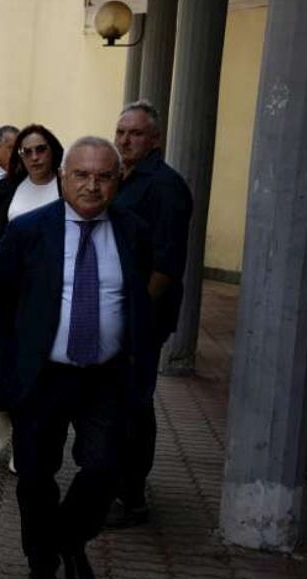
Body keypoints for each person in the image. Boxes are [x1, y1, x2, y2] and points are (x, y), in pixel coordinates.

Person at [0, 136, 153, 579]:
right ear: (63, 178)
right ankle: (43, 559)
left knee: (105, 467)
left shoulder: (134, 231)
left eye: (104, 176)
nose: (92, 186)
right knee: (36, 476)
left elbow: (142, 305)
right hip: (41, 376)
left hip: (106, 376)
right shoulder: (28, 232)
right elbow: (0, 308)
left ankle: (69, 538)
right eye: (81, 175)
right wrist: (4, 379)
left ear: (119, 181)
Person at [106, 100, 193, 529]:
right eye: (121, 132)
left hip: (141, 318)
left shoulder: (165, 186)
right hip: (116, 312)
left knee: (134, 404)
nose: (125, 140)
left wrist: (135, 317)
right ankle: (116, 485)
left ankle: (132, 497)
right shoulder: (121, 178)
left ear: (154, 138)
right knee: (116, 401)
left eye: (135, 133)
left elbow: (166, 265)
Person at [0, 124, 65, 469]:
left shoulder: (66, 187)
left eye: (40, 149)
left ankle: (25, 443)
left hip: (50, 294)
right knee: (2, 362)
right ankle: (5, 414)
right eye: (26, 151)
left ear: (53, 151)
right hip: (8, 295)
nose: (34, 157)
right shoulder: (8, 189)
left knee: (38, 369)